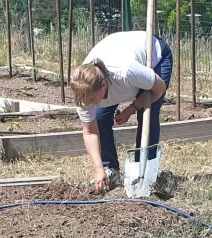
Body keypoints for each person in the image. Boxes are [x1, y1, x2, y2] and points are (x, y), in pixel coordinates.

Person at [70, 30, 175, 197]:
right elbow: (90, 131)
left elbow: (159, 89)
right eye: (87, 101)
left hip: (154, 55)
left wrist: (131, 109)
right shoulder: (82, 90)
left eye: (92, 99)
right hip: (117, 48)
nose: (90, 104)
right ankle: (109, 169)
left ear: (104, 85)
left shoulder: (126, 72)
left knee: (147, 112)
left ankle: (146, 171)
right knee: (100, 117)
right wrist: (98, 168)